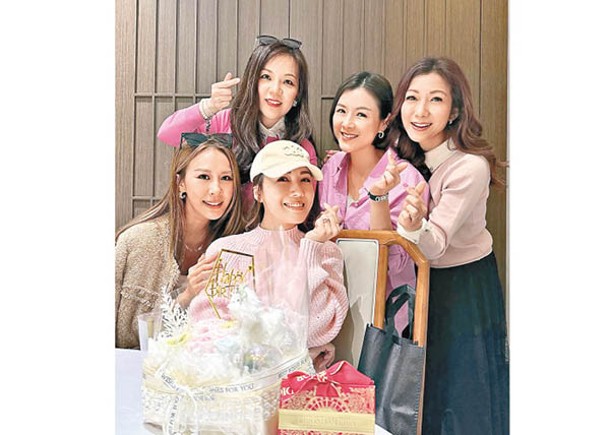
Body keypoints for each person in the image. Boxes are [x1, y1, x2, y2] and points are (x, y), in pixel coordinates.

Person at [392, 57, 509, 435]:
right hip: (420, 286)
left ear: (455, 110)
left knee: (461, 399)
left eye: (436, 100)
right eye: (412, 98)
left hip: (462, 288)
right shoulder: (406, 157)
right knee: (423, 395)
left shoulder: (469, 167)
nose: (420, 111)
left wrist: (413, 225)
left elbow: (436, 245)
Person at [188, 140, 349, 372]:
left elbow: (316, 331)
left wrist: (312, 248)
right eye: (283, 179)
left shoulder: (325, 252)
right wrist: (290, 350)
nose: (298, 191)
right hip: (239, 382)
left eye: (305, 180)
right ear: (258, 192)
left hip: (300, 387)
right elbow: (207, 330)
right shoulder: (226, 251)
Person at [318, 71, 429, 336]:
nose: (347, 123)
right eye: (341, 111)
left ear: (383, 122)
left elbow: (393, 261)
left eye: (361, 115)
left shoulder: (407, 179)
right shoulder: (330, 168)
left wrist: (379, 197)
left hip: (384, 319)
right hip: (332, 311)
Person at [115, 134, 246, 349]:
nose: (216, 189)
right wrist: (188, 295)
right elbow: (129, 338)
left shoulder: (235, 248)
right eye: (204, 176)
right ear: (180, 183)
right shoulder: (138, 242)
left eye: (226, 178)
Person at [157, 35, 317, 209]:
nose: (275, 90)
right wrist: (208, 107)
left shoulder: (302, 148)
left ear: (297, 95)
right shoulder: (224, 122)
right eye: (266, 77)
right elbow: (168, 134)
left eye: (288, 82)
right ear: (251, 82)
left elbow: (303, 207)